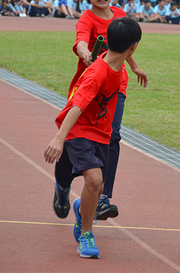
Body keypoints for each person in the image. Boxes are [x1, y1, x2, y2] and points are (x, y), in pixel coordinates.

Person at [51, 0, 148, 226]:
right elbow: (82, 41)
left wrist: (136, 67)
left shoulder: (119, 13)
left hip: (116, 85)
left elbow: (126, 44)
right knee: (76, 138)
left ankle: (103, 196)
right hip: (90, 83)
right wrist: (85, 54)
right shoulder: (86, 19)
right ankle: (62, 186)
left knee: (112, 136)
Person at [44, 16, 142, 259]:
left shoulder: (119, 68)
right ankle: (86, 234)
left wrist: (135, 67)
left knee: (95, 189)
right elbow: (76, 106)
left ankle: (80, 208)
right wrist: (59, 138)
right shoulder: (98, 72)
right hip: (79, 131)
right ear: (134, 47)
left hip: (102, 134)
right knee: (96, 179)